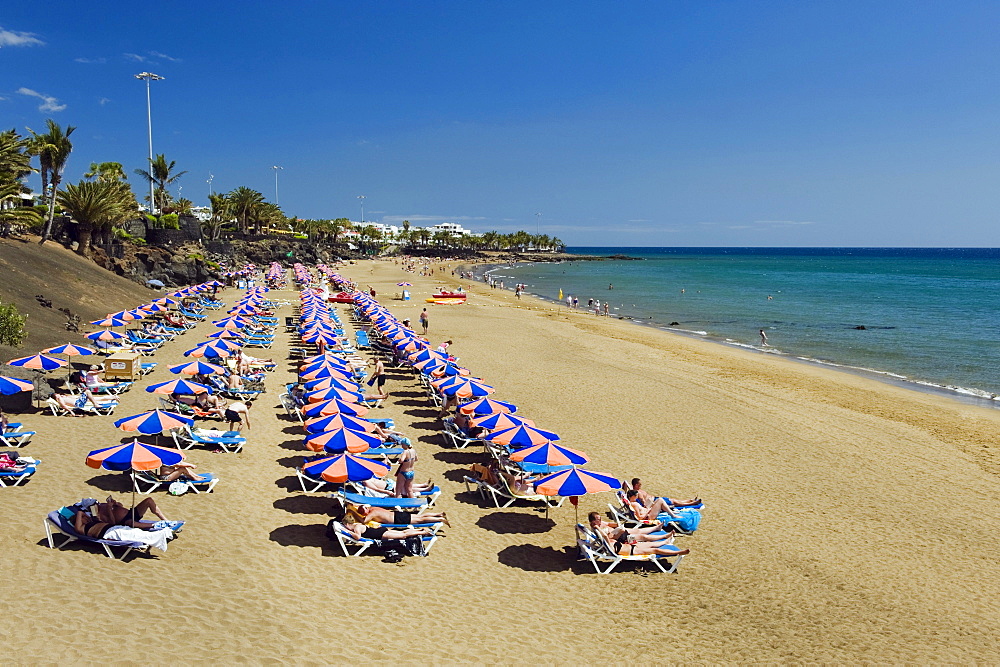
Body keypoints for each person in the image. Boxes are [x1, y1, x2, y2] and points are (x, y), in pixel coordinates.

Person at [336, 501, 450, 527]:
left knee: (420, 520)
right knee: (420, 516)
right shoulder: (372, 507)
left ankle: (439, 519)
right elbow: (360, 505)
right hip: (398, 514)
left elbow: (363, 521)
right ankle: (439, 514)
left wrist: (354, 514)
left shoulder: (372, 513)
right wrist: (353, 505)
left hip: (397, 520)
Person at [587, 512, 673, 543]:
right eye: (598, 519)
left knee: (638, 530)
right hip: (621, 537)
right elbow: (610, 539)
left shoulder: (600, 523)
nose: (600, 520)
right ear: (593, 522)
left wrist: (617, 524)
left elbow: (609, 524)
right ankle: (664, 537)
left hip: (620, 532)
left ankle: (656, 528)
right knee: (643, 536)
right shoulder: (597, 529)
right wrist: (620, 532)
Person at [97, 496, 170, 529]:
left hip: (131, 513)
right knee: (133, 524)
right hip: (125, 521)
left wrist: (115, 504)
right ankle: (156, 525)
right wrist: (109, 509)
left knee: (149, 500)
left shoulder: (103, 504)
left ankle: (165, 520)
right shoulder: (99, 514)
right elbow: (112, 523)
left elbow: (121, 505)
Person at [628, 478, 701, 509]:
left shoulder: (637, 490)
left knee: (673, 500)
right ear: (636, 485)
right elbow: (644, 503)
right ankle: (691, 503)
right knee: (675, 502)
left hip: (656, 499)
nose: (641, 485)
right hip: (655, 501)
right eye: (640, 484)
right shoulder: (638, 493)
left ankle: (690, 500)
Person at [340, 520, 433, 542]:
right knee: (402, 533)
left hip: (381, 534)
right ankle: (420, 530)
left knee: (403, 535)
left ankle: (423, 532)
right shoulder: (358, 524)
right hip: (381, 531)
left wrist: (348, 532)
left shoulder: (356, 528)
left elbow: (358, 537)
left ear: (348, 524)